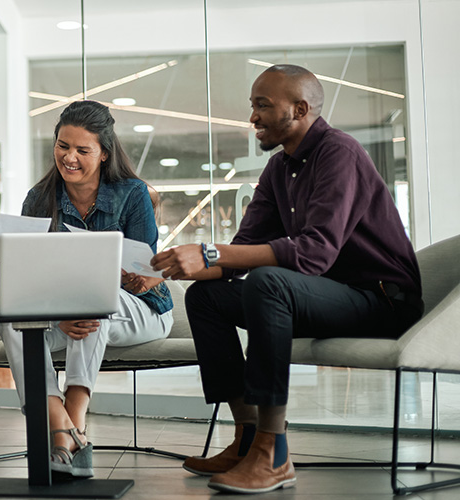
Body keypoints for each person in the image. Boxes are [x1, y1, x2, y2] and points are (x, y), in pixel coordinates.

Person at [151, 65, 423, 494]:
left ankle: (274, 453)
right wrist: (165, 270)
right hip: (322, 296)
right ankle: (246, 438)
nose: (253, 117)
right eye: (252, 106)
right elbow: (241, 252)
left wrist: (208, 251)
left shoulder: (340, 153)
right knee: (207, 297)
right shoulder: (280, 169)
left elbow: (313, 253)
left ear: (299, 109)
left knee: (268, 282)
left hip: (382, 300)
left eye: (262, 105)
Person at [0, 100, 174, 478]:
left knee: (91, 300)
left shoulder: (132, 193)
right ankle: (62, 429)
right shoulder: (39, 198)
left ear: (104, 153)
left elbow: (149, 267)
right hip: (66, 311)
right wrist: (57, 313)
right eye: (63, 146)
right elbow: (29, 273)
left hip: (140, 309)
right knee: (11, 320)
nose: (70, 158)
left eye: (82, 150)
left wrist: (138, 276)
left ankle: (71, 423)